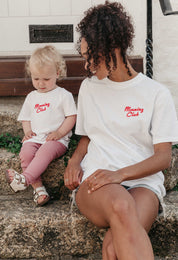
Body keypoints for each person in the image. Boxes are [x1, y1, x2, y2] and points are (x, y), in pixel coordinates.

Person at [64, 1, 178, 259]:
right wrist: (74, 161)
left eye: (90, 56)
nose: (87, 65)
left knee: (114, 248)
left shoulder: (156, 94)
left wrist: (120, 175)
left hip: (143, 184)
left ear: (112, 48)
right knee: (120, 203)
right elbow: (87, 137)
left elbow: (163, 157)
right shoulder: (89, 88)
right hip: (97, 182)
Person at [6, 45, 77, 206]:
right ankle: (39, 191)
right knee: (25, 154)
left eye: (46, 79)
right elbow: (26, 118)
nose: (41, 83)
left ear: (57, 74)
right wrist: (28, 131)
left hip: (55, 141)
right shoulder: (32, 97)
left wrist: (59, 133)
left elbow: (71, 117)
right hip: (35, 137)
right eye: (36, 78)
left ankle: (24, 179)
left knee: (44, 152)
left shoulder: (63, 95)